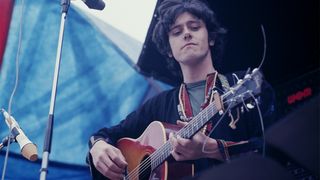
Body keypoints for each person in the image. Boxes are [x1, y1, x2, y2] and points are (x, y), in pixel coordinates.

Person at [87, 0, 276, 179]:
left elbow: (276, 149)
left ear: (210, 38)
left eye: (194, 27)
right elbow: (107, 135)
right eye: (176, 32)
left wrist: (214, 148)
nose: (187, 34)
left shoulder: (240, 85)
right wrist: (97, 146)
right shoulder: (158, 105)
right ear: (169, 49)